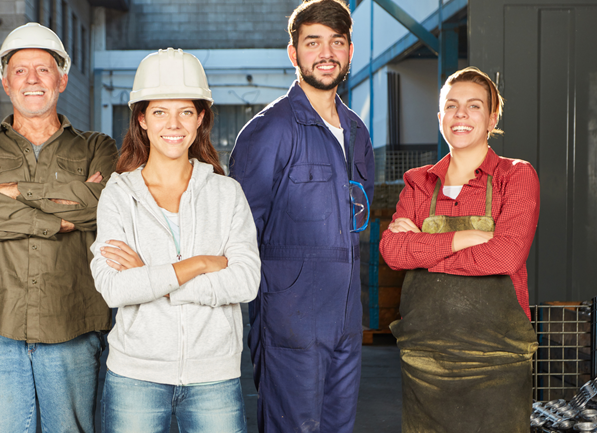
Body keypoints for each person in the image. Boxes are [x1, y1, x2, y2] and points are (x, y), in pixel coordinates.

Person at [0, 22, 117, 433]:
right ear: (6, 83)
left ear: (61, 78)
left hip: (72, 317)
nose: (32, 80)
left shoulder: (99, 147)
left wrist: (15, 190)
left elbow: (106, 207)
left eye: (43, 69)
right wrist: (55, 218)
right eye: (20, 70)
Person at [90, 48, 261, 433]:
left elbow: (246, 281)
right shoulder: (119, 195)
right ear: (142, 119)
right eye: (160, 112)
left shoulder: (226, 192)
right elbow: (115, 288)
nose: (174, 124)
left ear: (201, 118)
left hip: (213, 375)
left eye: (185, 111)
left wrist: (155, 281)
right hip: (136, 374)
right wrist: (198, 264)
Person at [229, 1, 375, 431]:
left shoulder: (356, 130)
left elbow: (356, 216)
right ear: (294, 53)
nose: (326, 52)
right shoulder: (270, 129)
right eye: (313, 42)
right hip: (290, 319)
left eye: (337, 42)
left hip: (347, 318)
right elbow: (239, 232)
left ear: (350, 50)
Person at [379, 67, 539, 432]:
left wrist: (422, 249)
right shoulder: (419, 183)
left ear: (492, 118)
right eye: (451, 106)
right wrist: (461, 238)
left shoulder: (515, 176)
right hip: (425, 360)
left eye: (473, 106)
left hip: (497, 359)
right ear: (440, 118)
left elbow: (505, 256)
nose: (461, 114)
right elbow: (392, 252)